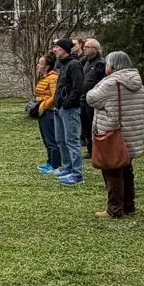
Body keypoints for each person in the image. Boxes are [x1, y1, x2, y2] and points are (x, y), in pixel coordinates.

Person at [85, 49, 144, 218]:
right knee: (126, 169)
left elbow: (91, 98)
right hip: (131, 133)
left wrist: (102, 81)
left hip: (112, 133)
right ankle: (129, 205)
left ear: (112, 65)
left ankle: (114, 209)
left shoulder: (110, 83)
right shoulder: (138, 83)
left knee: (112, 171)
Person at [50, 36, 85, 185]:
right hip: (59, 108)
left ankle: (77, 174)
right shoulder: (62, 64)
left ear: (64, 49)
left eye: (57, 47)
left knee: (72, 141)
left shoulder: (74, 64)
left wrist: (66, 103)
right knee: (61, 140)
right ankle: (67, 167)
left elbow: (78, 88)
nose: (54, 50)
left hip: (69, 109)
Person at [34, 51, 61, 174]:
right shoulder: (44, 77)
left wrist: (43, 106)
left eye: (40, 63)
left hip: (49, 112)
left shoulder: (53, 78)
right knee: (46, 138)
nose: (38, 66)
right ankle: (50, 161)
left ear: (47, 67)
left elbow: (54, 96)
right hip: (43, 112)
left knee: (51, 139)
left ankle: (55, 165)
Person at [79, 38, 107, 155]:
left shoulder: (100, 64)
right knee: (85, 126)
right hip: (83, 99)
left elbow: (103, 82)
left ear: (95, 49)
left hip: (94, 101)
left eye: (87, 47)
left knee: (94, 126)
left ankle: (98, 150)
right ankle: (90, 150)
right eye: (84, 47)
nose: (84, 49)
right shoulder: (85, 62)